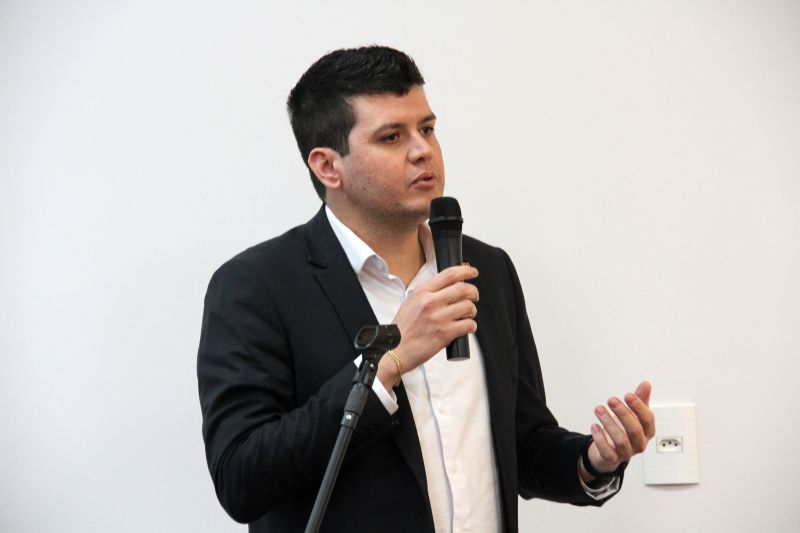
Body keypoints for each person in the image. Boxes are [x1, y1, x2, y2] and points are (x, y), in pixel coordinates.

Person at [197, 45, 655, 533]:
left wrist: (593, 461)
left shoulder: (487, 269)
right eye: (392, 136)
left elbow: (522, 442)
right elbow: (241, 478)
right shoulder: (256, 287)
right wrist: (389, 363)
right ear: (328, 167)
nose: (423, 150)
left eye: (428, 129)